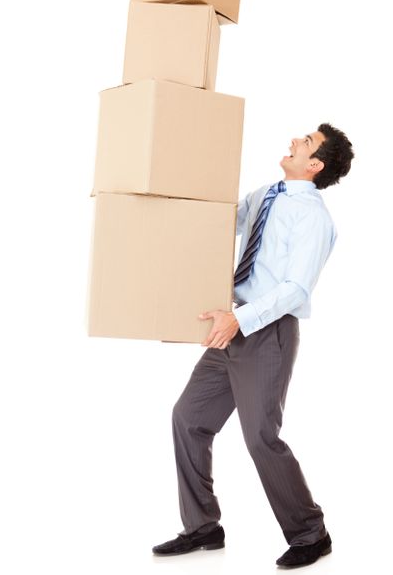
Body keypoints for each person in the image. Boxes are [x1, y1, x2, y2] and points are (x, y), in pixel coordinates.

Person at [152, 123, 354, 568]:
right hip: (233, 324)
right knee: (189, 418)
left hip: (267, 332)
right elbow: (223, 223)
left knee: (261, 437)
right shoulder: (268, 194)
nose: (296, 141)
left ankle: (310, 533)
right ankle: (203, 526)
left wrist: (238, 319)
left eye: (307, 142)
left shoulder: (314, 218)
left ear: (315, 164)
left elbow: (296, 289)